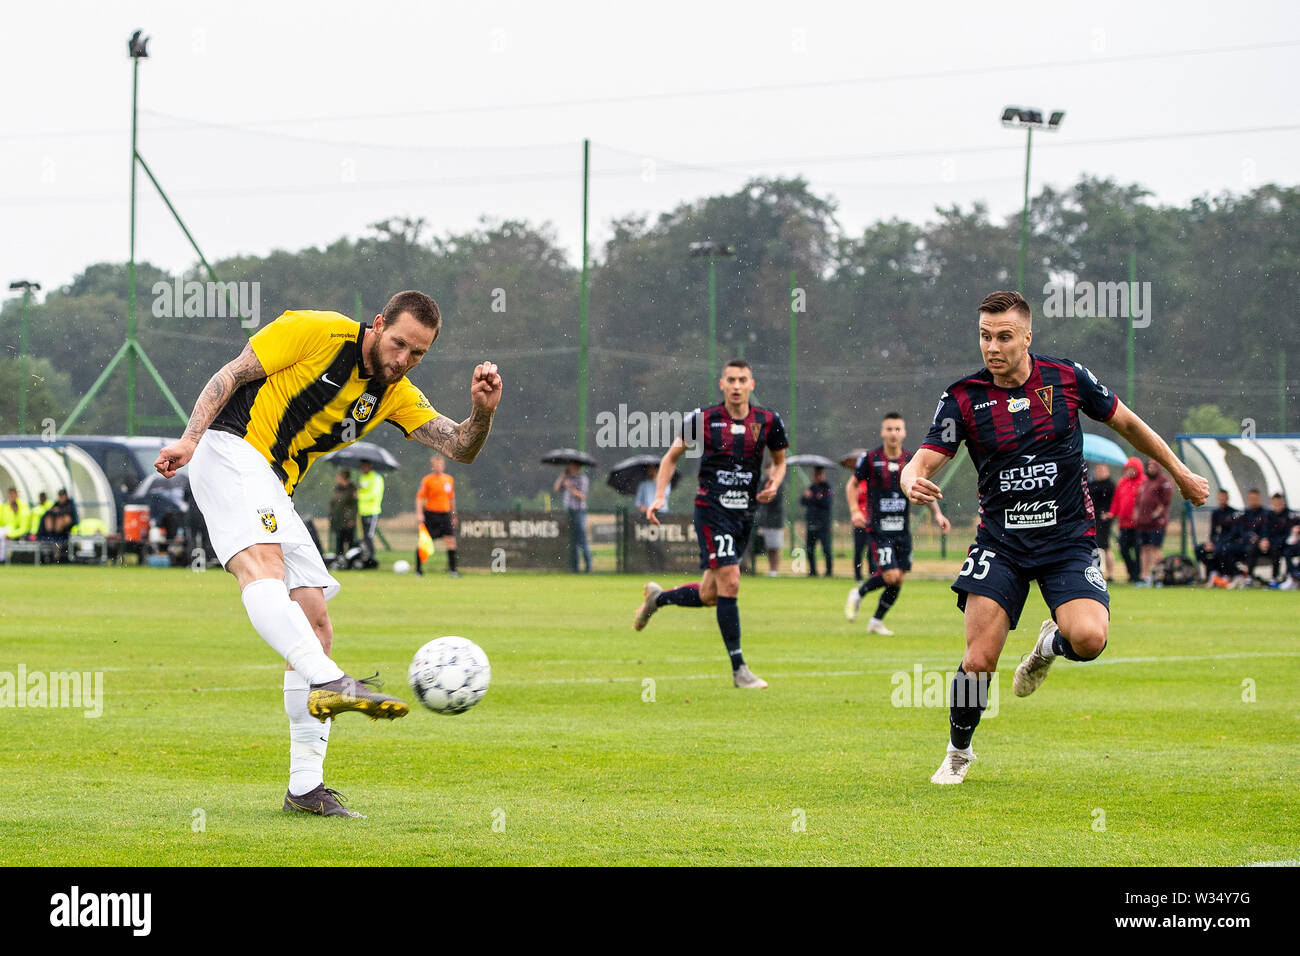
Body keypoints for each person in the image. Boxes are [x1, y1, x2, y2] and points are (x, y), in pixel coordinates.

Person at [153, 291, 502, 817]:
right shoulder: (316, 330)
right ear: (379, 325)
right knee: (263, 568)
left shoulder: (394, 392)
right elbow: (230, 375)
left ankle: (305, 789)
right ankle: (329, 681)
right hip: (228, 450)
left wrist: (481, 412)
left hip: (273, 484)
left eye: (418, 355)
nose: (403, 360)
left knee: (316, 622)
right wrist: (189, 439)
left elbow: (459, 446)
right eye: (399, 344)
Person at [901, 290, 1207, 785]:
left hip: (1067, 540)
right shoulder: (964, 397)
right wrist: (907, 478)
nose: (992, 347)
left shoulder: (1067, 379)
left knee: (1089, 639)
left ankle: (1048, 646)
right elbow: (924, 456)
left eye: (1003, 336)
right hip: (1001, 543)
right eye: (984, 336)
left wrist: (1180, 473)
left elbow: (1127, 423)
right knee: (979, 660)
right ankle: (959, 751)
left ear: (1027, 336)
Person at [632, 358, 788, 689]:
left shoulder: (769, 420)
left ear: (751, 384)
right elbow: (671, 456)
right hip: (711, 510)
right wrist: (660, 496)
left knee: (711, 594)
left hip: (743, 515)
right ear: (722, 384)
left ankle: (657, 600)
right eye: (730, 379)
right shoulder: (702, 419)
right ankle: (739, 670)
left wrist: (773, 483)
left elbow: (780, 461)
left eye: (742, 379)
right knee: (731, 581)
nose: (735, 385)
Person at [845, 413, 950, 635]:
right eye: (889, 429)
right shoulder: (871, 458)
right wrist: (855, 511)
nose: (893, 433)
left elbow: (923, 488)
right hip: (879, 529)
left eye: (897, 429)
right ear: (883, 432)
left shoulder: (911, 461)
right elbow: (852, 485)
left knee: (898, 579)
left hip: (902, 531)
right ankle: (859, 593)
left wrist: (937, 515)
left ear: (904, 433)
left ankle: (875, 621)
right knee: (890, 576)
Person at [415, 454, 459, 577]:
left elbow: (451, 499)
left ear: (444, 466)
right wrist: (419, 514)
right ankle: (418, 570)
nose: (438, 467)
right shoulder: (427, 480)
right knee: (424, 542)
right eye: (436, 465)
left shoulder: (449, 480)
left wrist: (454, 515)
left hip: (445, 515)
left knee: (451, 541)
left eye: (440, 464)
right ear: (432, 466)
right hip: (431, 514)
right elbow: (419, 498)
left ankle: (453, 570)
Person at [1134, 458, 1174, 586]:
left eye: (1153, 466)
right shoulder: (1145, 483)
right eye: (1149, 466)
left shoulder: (1164, 482)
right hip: (1143, 522)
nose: (1150, 468)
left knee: (1156, 548)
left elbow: (1165, 502)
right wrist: (1137, 515)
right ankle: (1144, 576)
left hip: (1156, 523)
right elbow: (1138, 501)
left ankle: (1158, 577)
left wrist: (1155, 515)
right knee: (1144, 548)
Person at [1195, 488, 1245, 586]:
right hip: (1218, 543)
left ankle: (1229, 574)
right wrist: (1211, 542)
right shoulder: (1216, 513)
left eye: (1224, 497)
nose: (1222, 499)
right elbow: (1213, 531)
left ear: (1227, 498)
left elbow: (1234, 533)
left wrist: (1219, 543)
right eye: (1220, 497)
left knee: (1222, 550)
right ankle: (1212, 572)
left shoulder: (1234, 513)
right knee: (1200, 549)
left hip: (1230, 543)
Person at [1109, 456, 1145, 583]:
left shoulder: (1142, 482)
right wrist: (1112, 513)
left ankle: (1138, 574)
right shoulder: (1122, 482)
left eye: (1132, 469)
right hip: (1124, 523)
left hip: (1138, 525)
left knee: (1138, 550)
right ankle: (1132, 573)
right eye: (1128, 469)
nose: (1130, 472)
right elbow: (1116, 500)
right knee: (1123, 549)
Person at [554, 462, 592, 573]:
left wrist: (569, 487)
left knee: (582, 540)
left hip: (579, 511)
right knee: (573, 542)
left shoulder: (582, 479)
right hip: (569, 513)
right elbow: (556, 488)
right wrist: (562, 475)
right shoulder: (567, 478)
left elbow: (581, 496)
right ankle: (575, 568)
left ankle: (588, 567)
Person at [634, 464, 670, 573]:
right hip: (648, 515)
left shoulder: (665, 482)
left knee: (658, 541)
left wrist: (658, 480)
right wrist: (646, 509)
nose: (651, 471)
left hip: (661, 514)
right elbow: (639, 502)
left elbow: (666, 494)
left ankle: (663, 567)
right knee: (649, 542)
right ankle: (653, 568)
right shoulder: (643, 485)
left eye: (653, 468)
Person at [800, 465, 834, 577]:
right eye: (815, 474)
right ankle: (812, 571)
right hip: (812, 523)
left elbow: (826, 503)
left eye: (819, 474)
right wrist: (810, 497)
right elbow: (803, 501)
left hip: (824, 524)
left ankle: (829, 572)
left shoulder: (827, 488)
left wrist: (812, 498)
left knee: (826, 549)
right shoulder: (812, 487)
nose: (817, 477)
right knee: (810, 549)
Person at [754, 461, 785, 576]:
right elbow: (758, 498)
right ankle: (770, 570)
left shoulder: (778, 483)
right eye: (767, 469)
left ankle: (774, 571)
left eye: (770, 468)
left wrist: (766, 497)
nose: (768, 471)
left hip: (775, 521)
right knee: (768, 547)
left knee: (775, 547)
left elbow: (773, 500)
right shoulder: (762, 483)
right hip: (765, 521)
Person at [1087, 463, 1116, 581]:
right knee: (1096, 546)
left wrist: (1110, 513)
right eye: (1098, 470)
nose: (1099, 472)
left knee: (1105, 546)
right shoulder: (1092, 484)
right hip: (1094, 518)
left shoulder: (1110, 485)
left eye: (1102, 470)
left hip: (1104, 519)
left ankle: (1110, 573)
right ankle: (1097, 571)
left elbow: (1115, 501)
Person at [356, 459, 385, 565]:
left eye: (364, 466)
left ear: (369, 465)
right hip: (362, 512)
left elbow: (374, 495)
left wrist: (360, 495)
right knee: (363, 537)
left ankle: (371, 559)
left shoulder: (376, 478)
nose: (363, 468)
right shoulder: (362, 478)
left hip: (372, 512)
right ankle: (366, 558)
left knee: (369, 536)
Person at [1263, 493, 1295, 585]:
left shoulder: (1290, 515)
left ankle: (1291, 576)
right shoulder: (1268, 515)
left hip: (1286, 544)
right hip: (1273, 544)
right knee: (1253, 549)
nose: (1277, 506)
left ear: (1283, 503)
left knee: (1287, 552)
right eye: (1275, 503)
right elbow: (1265, 531)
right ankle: (1274, 578)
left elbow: (1290, 534)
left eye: (1279, 503)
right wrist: (1264, 540)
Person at [39, 488, 79, 561]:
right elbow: (48, 512)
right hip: (54, 530)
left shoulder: (70, 504)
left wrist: (59, 511)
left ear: (66, 496)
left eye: (63, 496)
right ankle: (51, 537)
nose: (61, 497)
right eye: (60, 496)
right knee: (48, 518)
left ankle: (55, 538)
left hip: (66, 530)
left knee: (60, 519)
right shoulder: (56, 504)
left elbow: (70, 515)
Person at [328, 469, 358, 556]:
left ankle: (351, 560)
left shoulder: (352, 489)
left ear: (344, 478)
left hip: (348, 520)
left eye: (339, 477)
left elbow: (354, 506)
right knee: (339, 540)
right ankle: (339, 558)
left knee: (350, 541)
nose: (337, 478)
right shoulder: (337, 489)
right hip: (338, 519)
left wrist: (351, 519)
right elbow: (332, 503)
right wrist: (331, 516)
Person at [0, 487, 30, 563]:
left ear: (17, 495)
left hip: (15, 532)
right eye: (10, 495)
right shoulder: (5, 506)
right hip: (6, 530)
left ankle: (3, 559)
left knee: (3, 537)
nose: (11, 497)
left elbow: (24, 527)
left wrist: (10, 535)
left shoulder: (23, 506)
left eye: (13, 494)